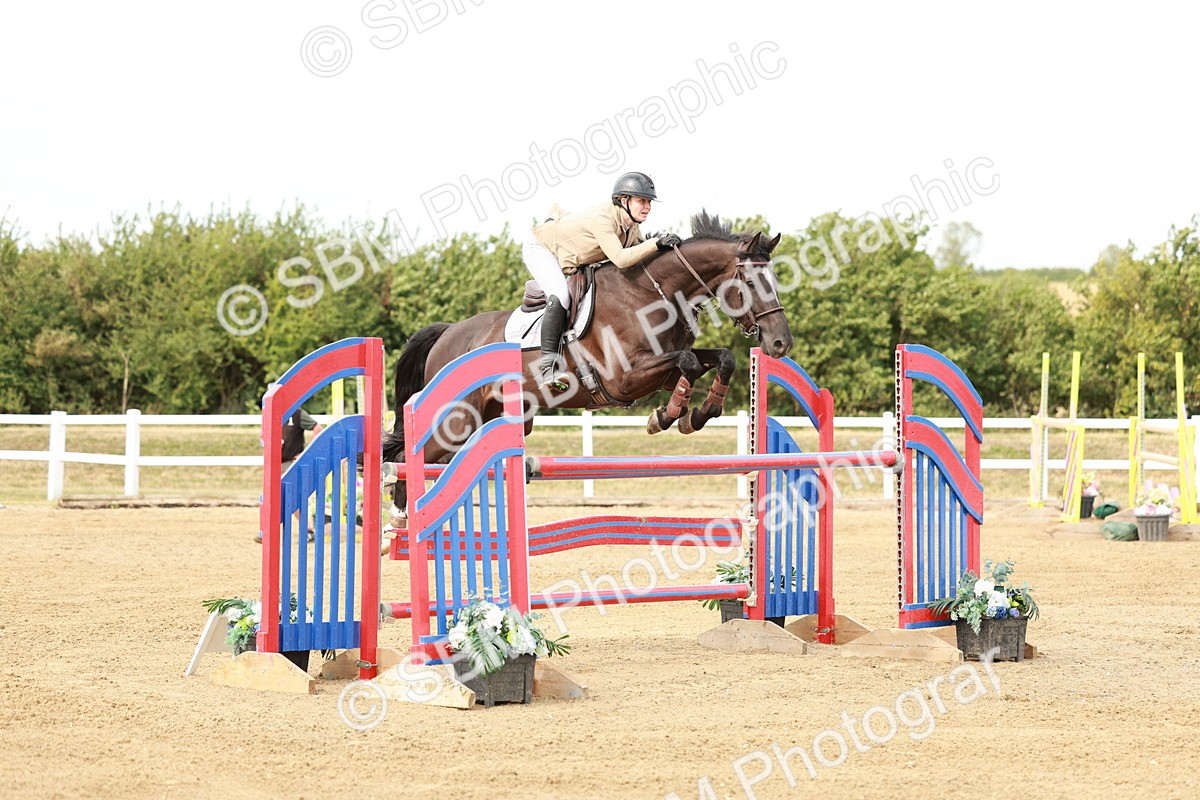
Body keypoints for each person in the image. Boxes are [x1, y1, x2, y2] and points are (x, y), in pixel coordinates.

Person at [524, 171, 682, 389]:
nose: (647, 207)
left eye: (649, 202)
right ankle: (548, 367)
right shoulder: (603, 220)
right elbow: (620, 259)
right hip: (541, 248)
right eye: (641, 201)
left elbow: (641, 254)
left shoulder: (631, 224)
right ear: (624, 201)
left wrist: (666, 249)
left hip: (567, 249)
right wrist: (656, 243)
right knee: (560, 295)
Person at [256, 407, 323, 544]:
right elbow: (263, 437)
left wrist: (307, 453)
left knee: (290, 498)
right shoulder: (271, 413)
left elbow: (318, 428)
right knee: (275, 497)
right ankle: (268, 530)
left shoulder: (297, 413)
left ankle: (306, 529)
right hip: (274, 463)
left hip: (291, 463)